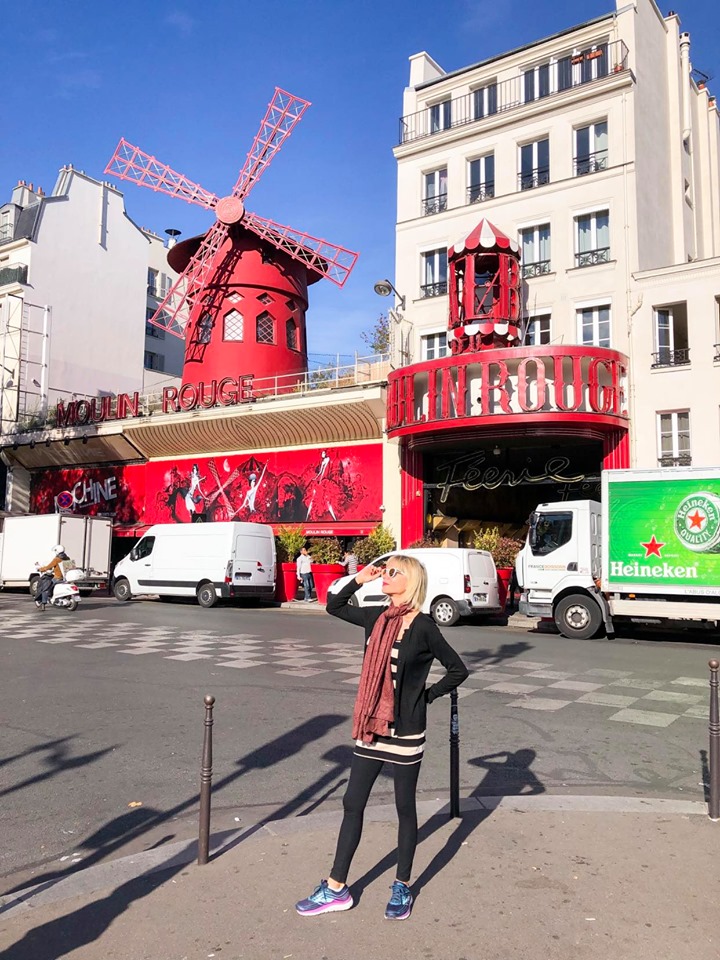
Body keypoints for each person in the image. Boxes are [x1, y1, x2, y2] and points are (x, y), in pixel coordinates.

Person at [295, 554, 468, 920]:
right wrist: (361, 578)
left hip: (405, 730)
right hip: (372, 725)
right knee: (352, 802)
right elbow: (334, 605)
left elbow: (458, 669)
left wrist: (426, 696)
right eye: (385, 571)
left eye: (394, 572)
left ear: (412, 581)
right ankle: (336, 887)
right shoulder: (376, 616)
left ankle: (402, 885)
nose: (386, 576)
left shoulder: (423, 627)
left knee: (404, 807)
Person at [36, 544, 70, 609]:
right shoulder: (67, 558)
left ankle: (43, 603)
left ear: (57, 551)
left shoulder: (57, 559)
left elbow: (48, 567)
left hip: (58, 578)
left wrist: (40, 569)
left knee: (46, 589)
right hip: (66, 578)